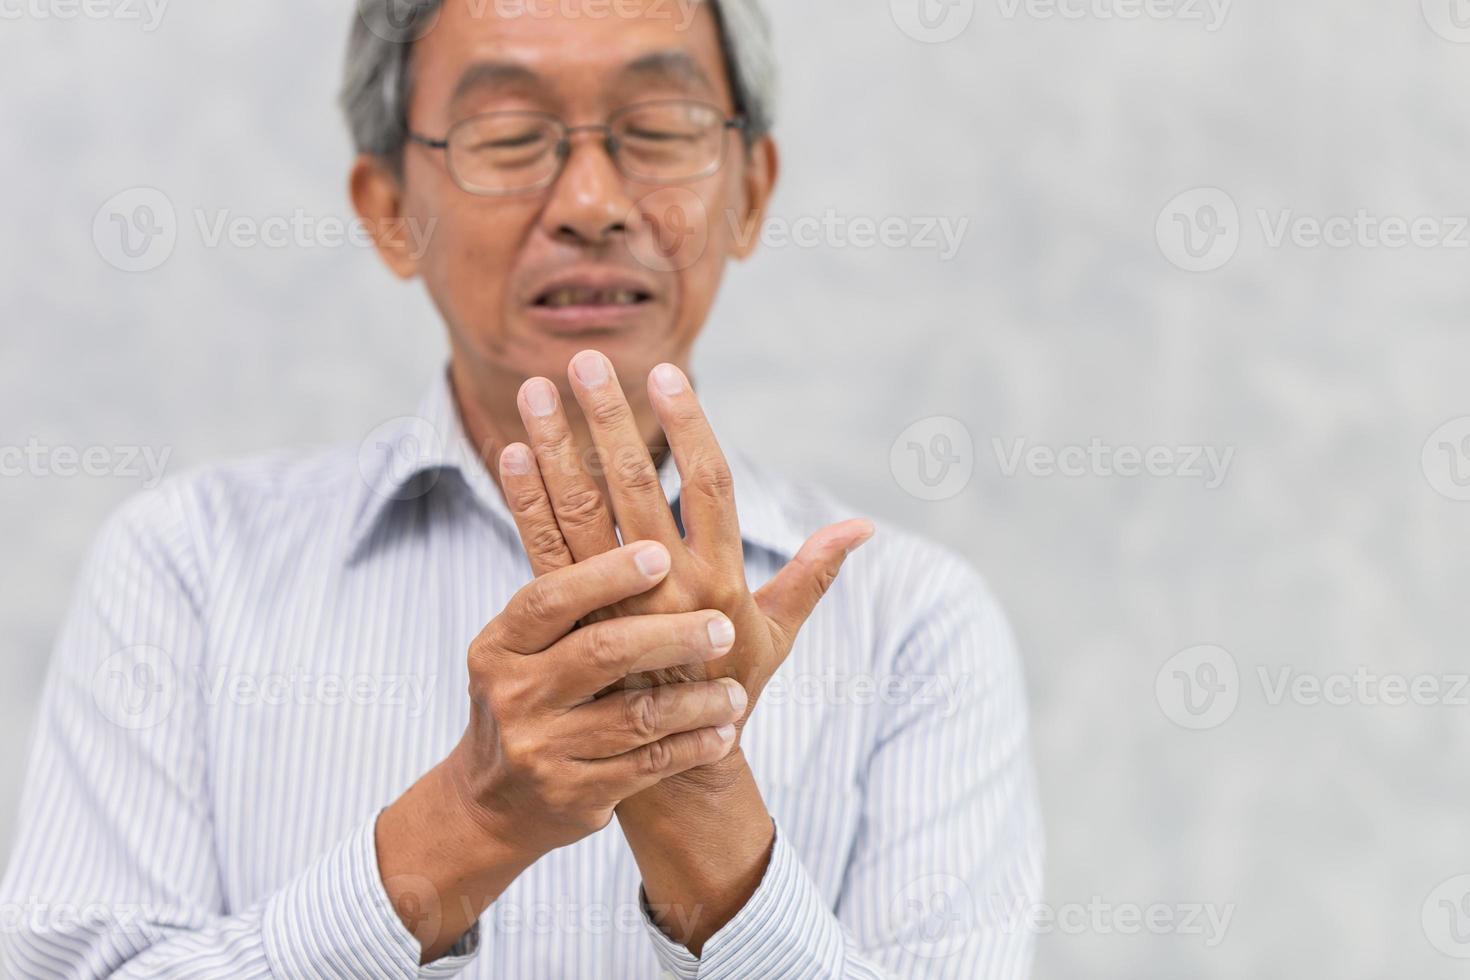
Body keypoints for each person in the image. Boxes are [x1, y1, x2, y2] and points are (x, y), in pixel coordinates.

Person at [0, 1, 1043, 976]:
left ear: (752, 190)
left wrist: (702, 812)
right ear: (388, 208)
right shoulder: (187, 565)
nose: (591, 204)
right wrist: (470, 820)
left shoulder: (913, 621)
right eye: (507, 135)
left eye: (661, 124)